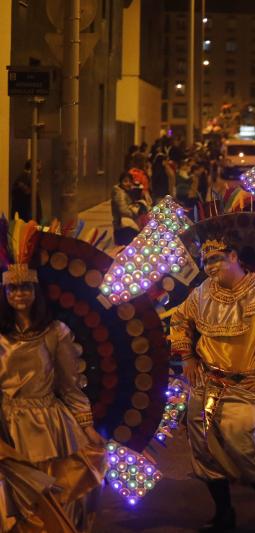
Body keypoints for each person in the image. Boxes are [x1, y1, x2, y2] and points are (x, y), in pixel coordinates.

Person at [169, 237, 255, 533]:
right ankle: (223, 513)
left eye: (216, 259)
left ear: (233, 255)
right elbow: (178, 320)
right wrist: (188, 356)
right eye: (206, 262)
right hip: (204, 384)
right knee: (203, 449)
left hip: (244, 387)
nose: (211, 267)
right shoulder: (202, 292)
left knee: (244, 446)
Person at [0, 221, 106, 532]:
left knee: (51, 501)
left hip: (49, 427)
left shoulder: (55, 333)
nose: (19, 294)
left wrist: (87, 429)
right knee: (12, 506)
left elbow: (70, 387)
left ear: (36, 291)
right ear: (4, 292)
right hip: (6, 430)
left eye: (26, 287)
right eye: (12, 288)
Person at [111, 172, 147, 246]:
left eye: (130, 181)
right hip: (123, 227)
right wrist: (134, 214)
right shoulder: (120, 193)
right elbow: (123, 210)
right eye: (125, 181)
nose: (128, 183)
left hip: (123, 226)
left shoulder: (125, 192)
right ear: (120, 182)